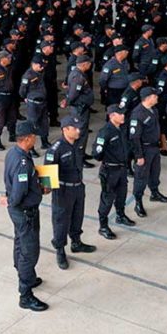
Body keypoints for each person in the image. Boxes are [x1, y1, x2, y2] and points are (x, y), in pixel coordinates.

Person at [2, 121, 50, 312]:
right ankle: (25, 294)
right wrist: (12, 202)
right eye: (34, 136)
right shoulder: (23, 162)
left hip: (20, 211)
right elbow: (19, 192)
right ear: (28, 138)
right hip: (25, 212)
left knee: (19, 243)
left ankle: (26, 276)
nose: (36, 139)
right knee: (29, 252)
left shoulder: (14, 153)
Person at [45, 116, 97, 270]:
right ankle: (60, 250)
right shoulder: (55, 149)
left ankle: (76, 242)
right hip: (63, 190)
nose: (78, 130)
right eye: (75, 128)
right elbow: (47, 175)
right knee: (61, 220)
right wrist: (51, 190)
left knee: (77, 216)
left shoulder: (77, 145)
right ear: (65, 129)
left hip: (78, 187)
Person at [92, 105, 135, 240]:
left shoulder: (121, 128)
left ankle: (120, 215)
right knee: (107, 198)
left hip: (121, 169)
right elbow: (97, 154)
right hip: (110, 170)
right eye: (120, 114)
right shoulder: (105, 132)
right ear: (112, 116)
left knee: (122, 194)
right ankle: (103, 226)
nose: (123, 116)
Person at [130, 87, 167, 218]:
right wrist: (139, 156)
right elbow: (134, 137)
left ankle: (155, 192)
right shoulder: (138, 114)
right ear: (148, 98)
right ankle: (138, 202)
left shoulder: (154, 110)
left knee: (155, 172)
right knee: (141, 177)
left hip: (154, 148)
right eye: (155, 96)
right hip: (144, 150)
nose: (157, 97)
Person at [66, 55, 95, 168]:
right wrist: (68, 101)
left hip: (82, 108)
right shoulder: (78, 77)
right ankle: (79, 158)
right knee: (80, 133)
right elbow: (73, 95)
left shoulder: (79, 74)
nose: (90, 65)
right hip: (79, 109)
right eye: (88, 64)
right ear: (84, 64)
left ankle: (81, 153)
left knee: (84, 132)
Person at [19, 57, 49, 154]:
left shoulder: (40, 72)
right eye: (40, 66)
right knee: (32, 125)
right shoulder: (28, 76)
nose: (42, 68)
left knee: (44, 123)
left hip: (43, 102)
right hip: (33, 104)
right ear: (34, 64)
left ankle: (45, 142)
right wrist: (27, 97)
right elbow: (22, 91)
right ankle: (31, 148)